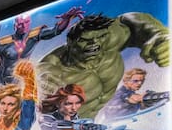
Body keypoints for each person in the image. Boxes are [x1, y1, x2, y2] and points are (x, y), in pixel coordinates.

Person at [36, 12, 169, 118]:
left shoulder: (109, 41)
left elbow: (130, 22)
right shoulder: (53, 68)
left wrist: (161, 36)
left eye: (100, 38)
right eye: (85, 40)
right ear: (70, 42)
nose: (94, 44)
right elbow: (39, 89)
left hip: (101, 121)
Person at [0, 8, 84, 99]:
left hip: (19, 82)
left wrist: (66, 19)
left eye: (25, 23)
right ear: (15, 25)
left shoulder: (33, 37)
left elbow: (56, 31)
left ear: (29, 23)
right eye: (20, 23)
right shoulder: (4, 43)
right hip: (1, 82)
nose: (23, 25)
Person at [96, 67, 169, 121]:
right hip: (111, 127)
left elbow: (141, 106)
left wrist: (152, 100)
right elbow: (134, 98)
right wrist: (164, 95)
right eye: (136, 81)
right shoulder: (121, 93)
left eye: (142, 81)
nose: (140, 83)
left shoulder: (130, 93)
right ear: (126, 81)